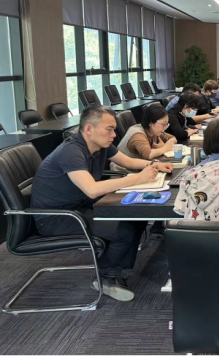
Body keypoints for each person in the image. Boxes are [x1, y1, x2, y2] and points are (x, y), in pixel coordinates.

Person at [31, 105, 173, 301]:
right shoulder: (71, 151)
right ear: (89, 128)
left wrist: (154, 164)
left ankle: (118, 272)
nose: (114, 134)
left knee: (135, 218)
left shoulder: (101, 145)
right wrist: (138, 178)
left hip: (81, 207)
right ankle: (106, 277)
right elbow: (92, 189)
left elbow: (128, 162)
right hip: (55, 217)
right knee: (123, 231)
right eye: (109, 129)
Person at [112, 104, 177, 169]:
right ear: (150, 122)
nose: (165, 128)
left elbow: (173, 138)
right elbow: (148, 155)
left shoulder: (154, 130)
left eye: (166, 124)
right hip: (124, 171)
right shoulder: (137, 134)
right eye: (163, 124)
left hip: (141, 168)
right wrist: (165, 148)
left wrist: (165, 145)